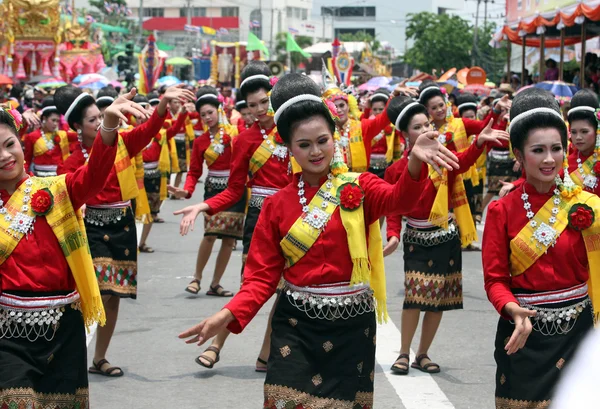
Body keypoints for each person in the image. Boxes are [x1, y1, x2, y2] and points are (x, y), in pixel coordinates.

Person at [177, 73, 460, 408]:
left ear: (334, 137)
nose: (316, 152)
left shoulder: (361, 186)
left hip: (352, 325)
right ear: (289, 148)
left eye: (322, 141)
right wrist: (227, 314)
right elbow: (260, 278)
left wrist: (414, 162)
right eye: (304, 145)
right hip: (295, 325)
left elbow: (402, 201)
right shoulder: (276, 206)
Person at [0, 92, 147, 407]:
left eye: (9, 144)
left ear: (19, 144)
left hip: (62, 331)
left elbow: (94, 176)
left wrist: (107, 126)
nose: (4, 156)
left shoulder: (56, 189)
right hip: (7, 332)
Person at [56, 84, 195, 377]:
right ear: (78, 127)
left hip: (122, 224)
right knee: (98, 292)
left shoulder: (121, 142)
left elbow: (148, 131)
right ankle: (67, 351)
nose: (100, 122)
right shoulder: (70, 160)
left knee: (115, 294)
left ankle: (99, 357)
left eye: (100, 116)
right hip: (90, 229)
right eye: (93, 120)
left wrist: (162, 107)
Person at [172, 61, 293, 372]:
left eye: (264, 101)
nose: (259, 109)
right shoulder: (243, 141)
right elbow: (234, 190)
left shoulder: (293, 130)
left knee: (286, 289)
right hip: (259, 220)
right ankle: (216, 346)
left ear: (273, 95)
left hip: (294, 217)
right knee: (250, 287)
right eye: (252, 106)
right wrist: (202, 206)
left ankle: (266, 353)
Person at [483, 88, 599, 408]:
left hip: (578, 332)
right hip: (523, 334)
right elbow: (494, 280)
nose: (550, 159)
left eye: (557, 149)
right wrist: (511, 309)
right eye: (538, 150)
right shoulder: (501, 211)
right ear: (518, 155)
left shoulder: (585, 206)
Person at [384, 96, 509, 375]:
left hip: (446, 238)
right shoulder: (396, 170)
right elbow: (393, 209)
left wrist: (479, 142)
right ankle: (403, 353)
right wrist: (393, 235)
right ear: (405, 135)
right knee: (414, 298)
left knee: (437, 300)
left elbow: (463, 163)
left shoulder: (444, 157)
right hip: (417, 238)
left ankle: (423, 353)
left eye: (428, 124)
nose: (427, 129)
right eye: (418, 127)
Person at [168, 86, 244, 297]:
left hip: (234, 190)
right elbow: (193, 172)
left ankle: (215, 283)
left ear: (219, 110)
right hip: (213, 189)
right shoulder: (200, 142)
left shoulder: (235, 134)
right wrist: (186, 191)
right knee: (210, 235)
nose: (207, 118)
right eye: (203, 115)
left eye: (210, 113)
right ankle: (197, 278)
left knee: (229, 240)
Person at [322, 67, 394, 173]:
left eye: (342, 105)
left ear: (349, 106)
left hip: (360, 180)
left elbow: (384, 119)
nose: (339, 110)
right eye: (334, 107)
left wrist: (393, 96)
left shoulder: (362, 126)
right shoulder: (324, 131)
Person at [457, 93, 487, 226]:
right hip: (462, 174)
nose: (470, 119)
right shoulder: (457, 133)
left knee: (475, 202)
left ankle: (470, 237)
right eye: (466, 117)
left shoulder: (481, 133)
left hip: (478, 173)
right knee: (464, 204)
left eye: (472, 117)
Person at [23, 97, 70, 177]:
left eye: (57, 121)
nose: (55, 124)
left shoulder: (62, 135)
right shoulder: (32, 137)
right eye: (53, 120)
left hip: (59, 178)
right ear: (44, 118)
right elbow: (27, 159)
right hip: (39, 178)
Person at [367, 88, 403, 178]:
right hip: (369, 168)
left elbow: (401, 137)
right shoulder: (367, 125)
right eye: (374, 109)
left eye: (381, 109)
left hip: (387, 168)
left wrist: (401, 144)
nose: (377, 112)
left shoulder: (392, 126)